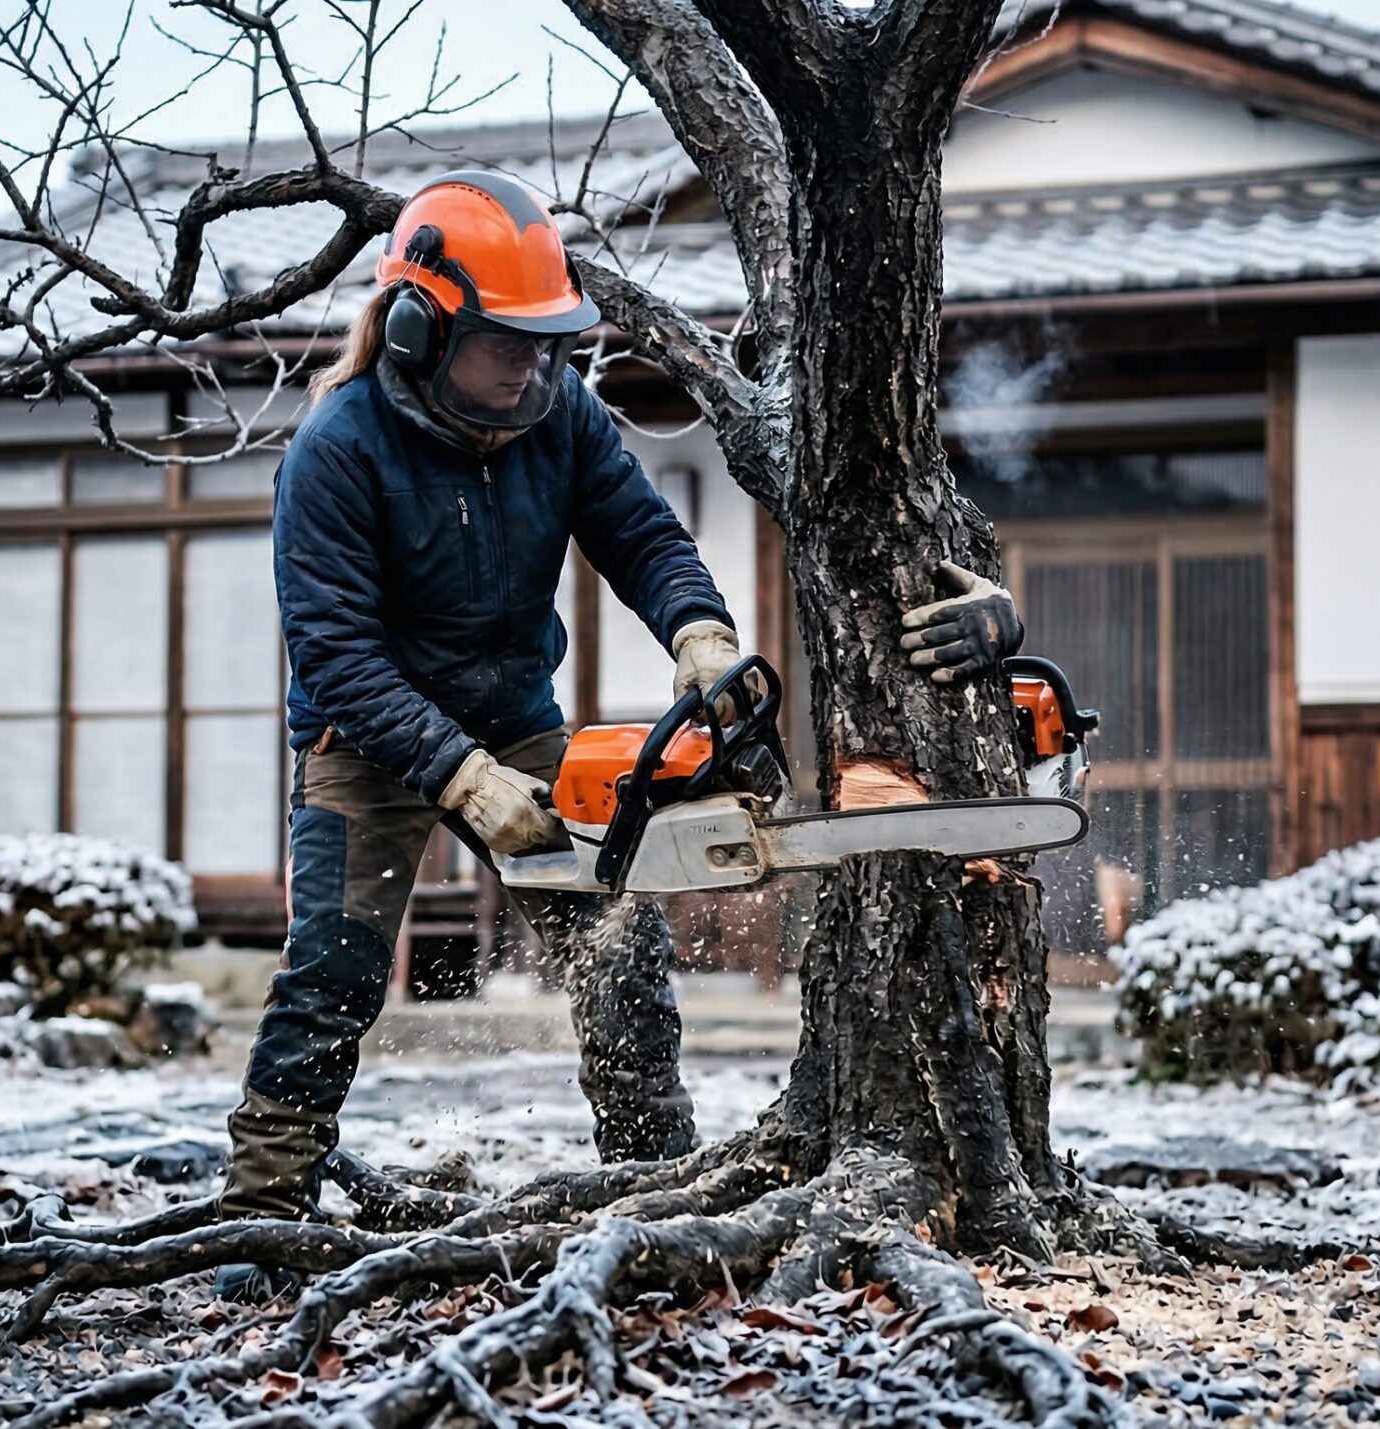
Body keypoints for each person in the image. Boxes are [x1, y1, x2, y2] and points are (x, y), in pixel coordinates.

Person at [220, 171, 1024, 1297]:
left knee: (618, 951)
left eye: (545, 342)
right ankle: (261, 1216)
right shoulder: (337, 449)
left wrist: (699, 632)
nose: (530, 366)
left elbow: (642, 533)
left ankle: (651, 1177)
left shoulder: (560, 413)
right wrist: (457, 777)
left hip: (516, 718)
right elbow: (335, 652)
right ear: (420, 328)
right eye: (506, 343)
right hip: (365, 735)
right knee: (332, 969)